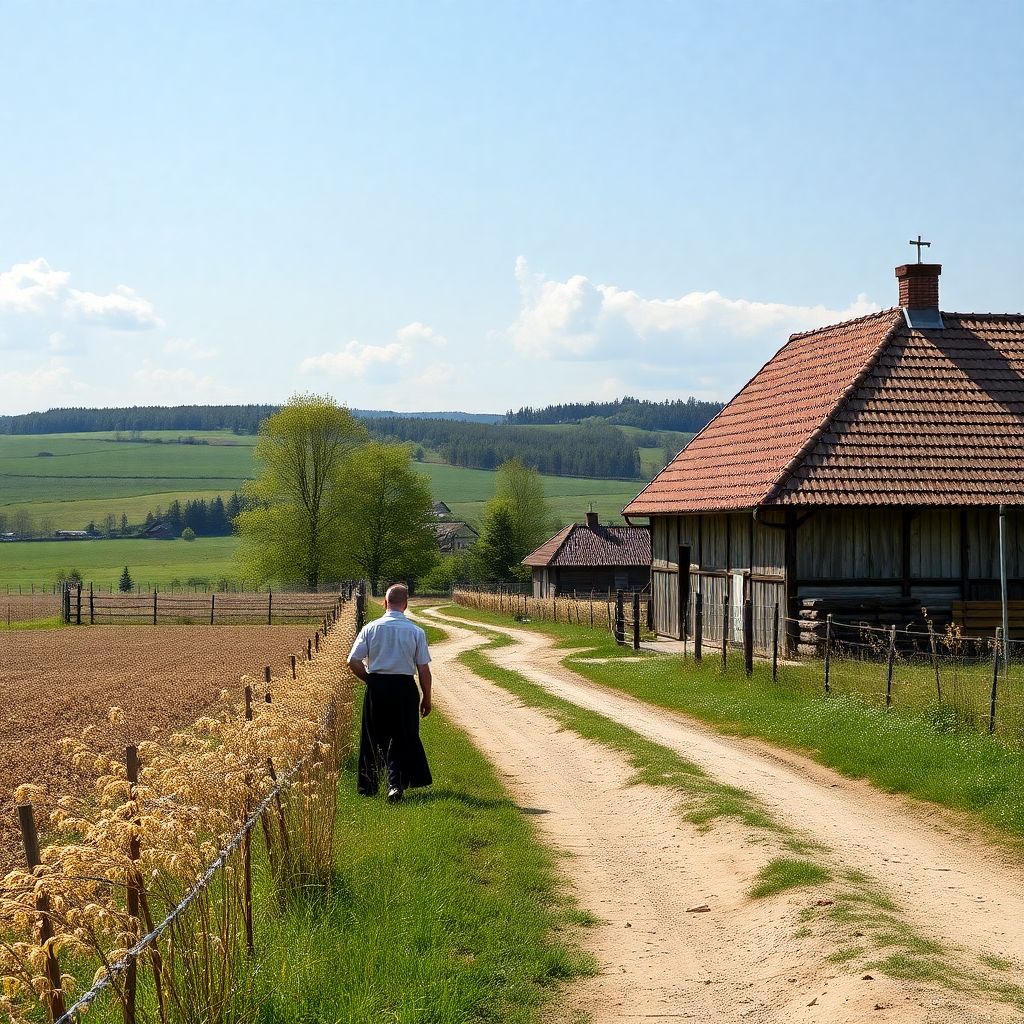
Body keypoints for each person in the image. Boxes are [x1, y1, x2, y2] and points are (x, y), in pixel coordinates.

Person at [347, 583, 433, 802]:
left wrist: (370, 680)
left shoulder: (371, 628)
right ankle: (396, 785)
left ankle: (369, 786)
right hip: (404, 688)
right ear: (406, 604)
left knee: (373, 735)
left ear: (385, 603)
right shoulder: (416, 631)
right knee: (402, 737)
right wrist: (427, 698)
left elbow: (353, 661)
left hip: (378, 687)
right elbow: (423, 669)